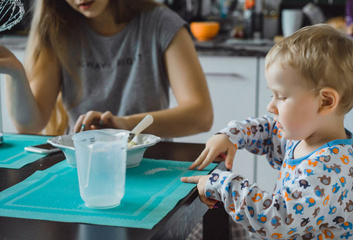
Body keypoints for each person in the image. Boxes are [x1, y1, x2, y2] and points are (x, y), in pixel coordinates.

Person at [175, 24, 353, 240]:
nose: (271, 106)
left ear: (325, 101)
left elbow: (276, 217)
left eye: (282, 96)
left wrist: (222, 184)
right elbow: (268, 130)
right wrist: (231, 136)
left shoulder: (331, 167)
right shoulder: (304, 138)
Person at [0, 0, 212, 137]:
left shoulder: (161, 23)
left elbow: (201, 115)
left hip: (151, 161)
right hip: (85, 163)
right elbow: (30, 126)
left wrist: (123, 124)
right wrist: (16, 74)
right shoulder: (58, 28)